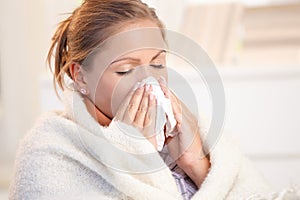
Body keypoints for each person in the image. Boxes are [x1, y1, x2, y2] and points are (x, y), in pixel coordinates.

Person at [9, 0, 281, 199]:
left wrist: (199, 166)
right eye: (126, 70)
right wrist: (132, 153)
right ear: (80, 77)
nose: (148, 81)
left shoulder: (197, 133)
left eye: (158, 64)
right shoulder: (49, 151)